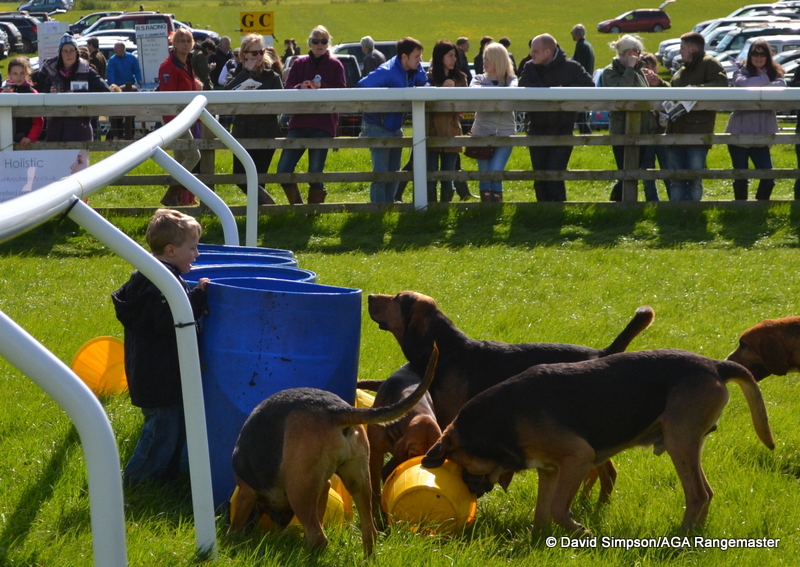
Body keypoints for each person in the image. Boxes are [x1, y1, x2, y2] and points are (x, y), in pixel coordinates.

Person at [111, 209, 209, 487]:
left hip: (157, 374)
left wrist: (192, 296)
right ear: (171, 249)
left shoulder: (154, 277)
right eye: (192, 248)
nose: (197, 254)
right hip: (159, 378)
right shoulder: (158, 283)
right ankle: (134, 483)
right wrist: (199, 299)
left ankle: (165, 478)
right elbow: (172, 322)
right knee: (160, 434)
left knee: (171, 430)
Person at [518, 33, 594, 201]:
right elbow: (523, 88)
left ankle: (557, 213)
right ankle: (542, 214)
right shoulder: (529, 67)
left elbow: (589, 86)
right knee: (539, 177)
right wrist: (551, 89)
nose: (532, 54)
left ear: (547, 52)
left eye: (535, 51)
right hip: (537, 128)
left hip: (563, 129)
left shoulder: (572, 67)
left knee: (555, 177)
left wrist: (564, 90)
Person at [277, 25, 346, 204]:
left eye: (323, 41)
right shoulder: (299, 63)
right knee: (283, 169)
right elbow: (288, 88)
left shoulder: (336, 65)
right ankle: (299, 207)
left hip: (323, 125)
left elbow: (342, 92)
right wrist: (300, 87)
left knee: (315, 172)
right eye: (316, 41)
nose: (319, 45)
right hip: (298, 123)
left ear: (328, 43)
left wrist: (324, 87)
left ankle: (314, 211)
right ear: (310, 43)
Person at [357, 37, 428, 203]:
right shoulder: (386, 71)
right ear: (405, 57)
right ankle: (378, 211)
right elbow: (362, 86)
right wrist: (382, 102)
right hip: (378, 126)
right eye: (417, 56)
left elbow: (425, 84)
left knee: (394, 172)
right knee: (381, 173)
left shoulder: (415, 69)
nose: (420, 60)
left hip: (396, 127)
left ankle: (388, 209)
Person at [664, 32, 727, 201]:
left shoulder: (710, 64)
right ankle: (676, 216)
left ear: (692, 48)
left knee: (694, 178)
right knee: (676, 179)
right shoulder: (680, 70)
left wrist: (696, 89)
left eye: (682, 48)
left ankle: (693, 215)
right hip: (675, 130)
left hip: (698, 132)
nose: (680, 51)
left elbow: (721, 85)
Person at [601, 34, 661, 201]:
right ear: (627, 53)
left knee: (637, 169)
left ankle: (623, 203)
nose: (639, 55)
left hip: (645, 129)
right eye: (636, 52)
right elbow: (622, 94)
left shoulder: (640, 71)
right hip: (622, 130)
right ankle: (620, 202)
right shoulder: (609, 72)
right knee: (626, 170)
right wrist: (629, 69)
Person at [224, 33, 282, 205]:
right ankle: (269, 205)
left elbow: (281, 103)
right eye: (254, 53)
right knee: (240, 176)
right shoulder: (235, 73)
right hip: (242, 132)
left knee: (259, 177)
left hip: (266, 131)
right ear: (244, 54)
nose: (258, 56)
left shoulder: (273, 76)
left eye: (261, 52)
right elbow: (225, 95)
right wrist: (246, 73)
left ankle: (259, 216)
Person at [725, 39, 785, 201]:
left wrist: (760, 81)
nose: (758, 57)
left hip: (763, 135)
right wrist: (765, 80)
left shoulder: (776, 73)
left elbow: (781, 86)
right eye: (755, 53)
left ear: (768, 56)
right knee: (741, 177)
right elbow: (743, 85)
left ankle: (760, 206)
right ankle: (741, 208)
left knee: (768, 177)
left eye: (762, 54)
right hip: (739, 134)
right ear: (749, 55)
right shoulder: (740, 71)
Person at [157, 28, 201, 206]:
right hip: (176, 120)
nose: (185, 44)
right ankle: (169, 195)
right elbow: (167, 98)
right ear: (174, 43)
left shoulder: (186, 63)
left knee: (179, 160)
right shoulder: (168, 66)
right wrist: (173, 124)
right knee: (193, 156)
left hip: (187, 118)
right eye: (181, 40)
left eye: (188, 41)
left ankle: (181, 200)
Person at [469, 42, 518, 202]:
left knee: (496, 171)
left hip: (505, 132)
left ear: (498, 60)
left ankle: (496, 206)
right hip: (481, 132)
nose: (484, 62)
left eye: (488, 58)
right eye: (484, 58)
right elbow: (473, 91)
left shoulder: (511, 79)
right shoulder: (478, 79)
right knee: (484, 174)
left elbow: (512, 91)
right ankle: (487, 209)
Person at [41, 33, 110, 142]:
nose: (69, 54)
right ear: (60, 53)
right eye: (65, 51)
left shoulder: (88, 71)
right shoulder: (50, 71)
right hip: (56, 129)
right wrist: (49, 93)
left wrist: (79, 93)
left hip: (81, 127)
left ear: (77, 52)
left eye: (72, 50)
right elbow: (38, 93)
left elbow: (105, 90)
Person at [426, 40, 468, 202]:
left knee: (448, 175)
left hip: (452, 131)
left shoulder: (461, 78)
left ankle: (445, 208)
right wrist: (441, 90)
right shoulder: (428, 78)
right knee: (430, 176)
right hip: (431, 131)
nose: (454, 59)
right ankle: (429, 210)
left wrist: (453, 95)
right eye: (450, 56)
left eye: (455, 56)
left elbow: (463, 108)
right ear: (439, 57)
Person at [639, 52, 670, 201]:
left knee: (667, 169)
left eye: (653, 66)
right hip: (646, 134)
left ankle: (673, 201)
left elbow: (673, 100)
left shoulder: (663, 84)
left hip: (663, 134)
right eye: (647, 67)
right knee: (647, 171)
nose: (651, 70)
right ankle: (652, 201)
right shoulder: (638, 87)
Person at [2, 56, 43, 147]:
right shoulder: (3, 92)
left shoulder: (32, 93)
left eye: (22, 73)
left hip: (25, 141)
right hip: (4, 139)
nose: (18, 77)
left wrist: (30, 137)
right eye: (15, 73)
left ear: (27, 73)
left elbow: (38, 121)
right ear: (9, 74)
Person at [571, 23, 594, 134]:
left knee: (579, 109)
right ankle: (585, 131)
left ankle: (585, 131)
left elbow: (578, 65)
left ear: (576, 34)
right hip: (588, 79)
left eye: (573, 33)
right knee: (583, 109)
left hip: (581, 82)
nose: (572, 35)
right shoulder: (588, 45)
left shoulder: (580, 46)